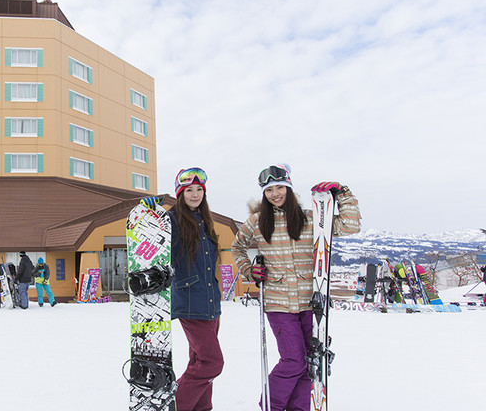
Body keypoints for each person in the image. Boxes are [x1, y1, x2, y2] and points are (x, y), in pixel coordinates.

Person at [230, 164, 361, 411]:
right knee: (292, 361)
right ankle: (271, 406)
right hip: (278, 303)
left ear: (289, 188)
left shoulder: (310, 218)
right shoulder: (257, 222)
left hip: (309, 302)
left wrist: (342, 193)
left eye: (280, 187)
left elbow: (350, 226)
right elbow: (237, 248)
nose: (275, 193)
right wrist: (249, 270)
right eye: (269, 189)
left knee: (308, 363)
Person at [143, 167, 223, 411]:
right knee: (211, 362)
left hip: (211, 304)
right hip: (190, 302)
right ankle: (174, 405)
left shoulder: (203, 220)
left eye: (199, 190)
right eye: (189, 190)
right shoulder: (172, 220)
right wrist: (148, 213)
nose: (195, 194)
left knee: (198, 360)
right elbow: (150, 237)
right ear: (181, 193)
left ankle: (201, 408)